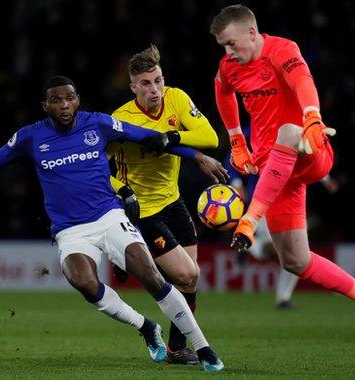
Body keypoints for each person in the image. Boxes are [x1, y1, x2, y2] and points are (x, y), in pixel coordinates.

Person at [0, 76, 226, 372]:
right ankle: (145, 327)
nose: (64, 105)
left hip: (109, 216)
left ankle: (202, 348)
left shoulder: (99, 123)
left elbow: (150, 138)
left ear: (77, 100)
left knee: (151, 275)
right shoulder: (31, 137)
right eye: (56, 100)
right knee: (81, 280)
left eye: (69, 98)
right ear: (46, 106)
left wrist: (196, 155)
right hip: (70, 230)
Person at [211, 5, 355, 343]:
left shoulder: (282, 50)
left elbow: (302, 80)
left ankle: (249, 220)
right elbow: (222, 90)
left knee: (288, 130)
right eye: (223, 46)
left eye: (231, 43)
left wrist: (312, 117)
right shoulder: (230, 67)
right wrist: (236, 138)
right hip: (278, 172)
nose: (228, 52)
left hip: (310, 149)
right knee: (295, 261)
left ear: (252, 33)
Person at [107, 45, 219, 364]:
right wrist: (120, 189)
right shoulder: (120, 119)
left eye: (158, 80)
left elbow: (209, 136)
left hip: (174, 201)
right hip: (143, 210)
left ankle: (174, 349)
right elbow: (97, 165)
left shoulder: (177, 98)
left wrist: (173, 137)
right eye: (146, 83)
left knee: (191, 278)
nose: (155, 89)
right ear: (133, 87)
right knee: (184, 275)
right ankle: (126, 250)